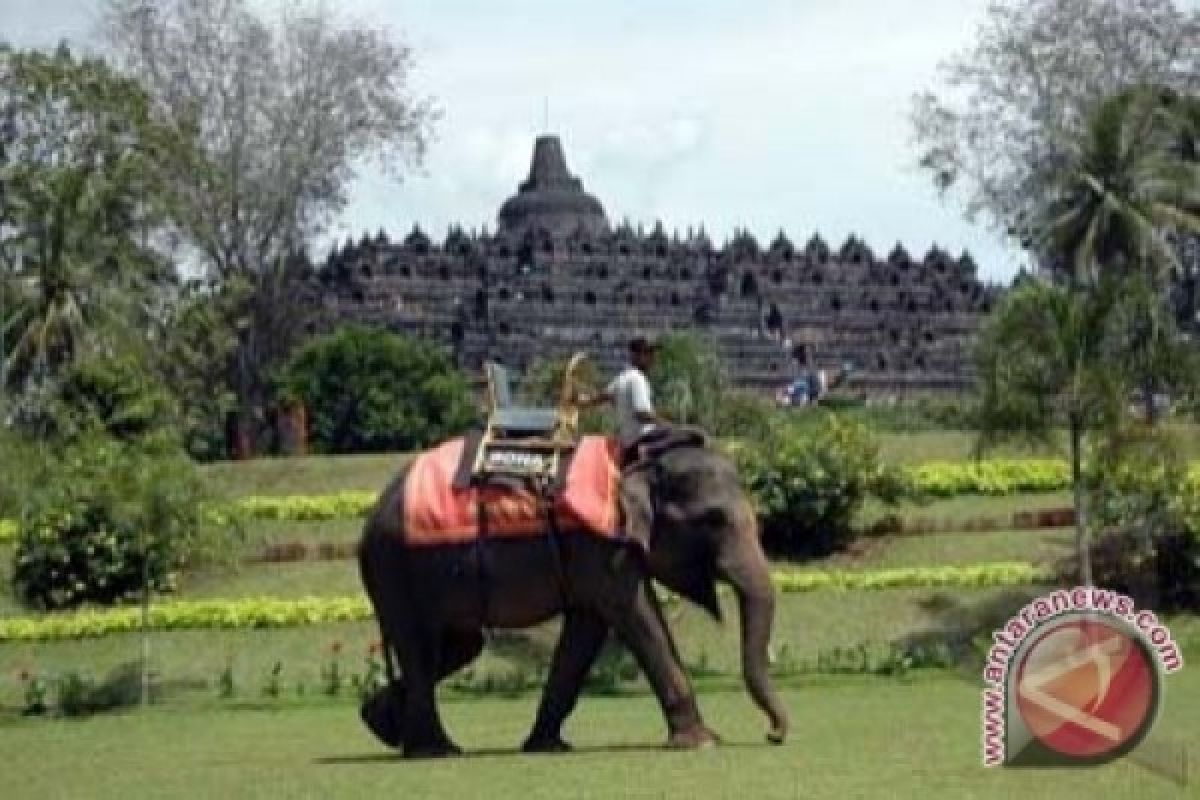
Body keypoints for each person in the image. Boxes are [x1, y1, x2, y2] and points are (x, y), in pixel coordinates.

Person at [578, 337, 670, 465]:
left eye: (652, 354)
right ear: (636, 356)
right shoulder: (637, 379)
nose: (652, 358)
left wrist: (582, 400)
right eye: (648, 353)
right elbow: (642, 413)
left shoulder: (621, 379)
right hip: (644, 438)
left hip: (627, 442)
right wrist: (666, 424)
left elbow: (600, 397)